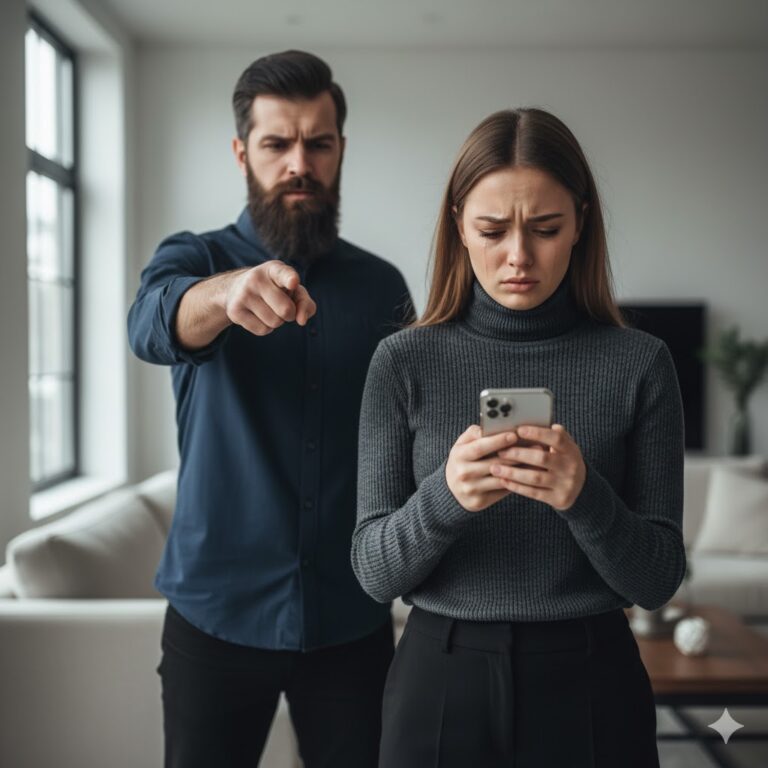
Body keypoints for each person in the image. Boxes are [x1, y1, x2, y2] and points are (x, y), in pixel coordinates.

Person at [352, 107, 685, 768]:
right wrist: (445, 497)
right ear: (458, 226)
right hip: (441, 674)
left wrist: (584, 496)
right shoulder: (402, 361)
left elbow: (658, 580)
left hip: (591, 676)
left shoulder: (641, 364)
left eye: (546, 229)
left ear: (581, 224)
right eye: (492, 230)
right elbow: (373, 572)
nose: (518, 257)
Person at [128, 50, 412, 768]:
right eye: (277, 144)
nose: (299, 164)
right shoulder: (193, 259)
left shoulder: (383, 287)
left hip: (352, 619)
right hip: (214, 618)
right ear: (242, 153)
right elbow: (151, 324)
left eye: (318, 144)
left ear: (340, 150)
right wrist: (225, 295)